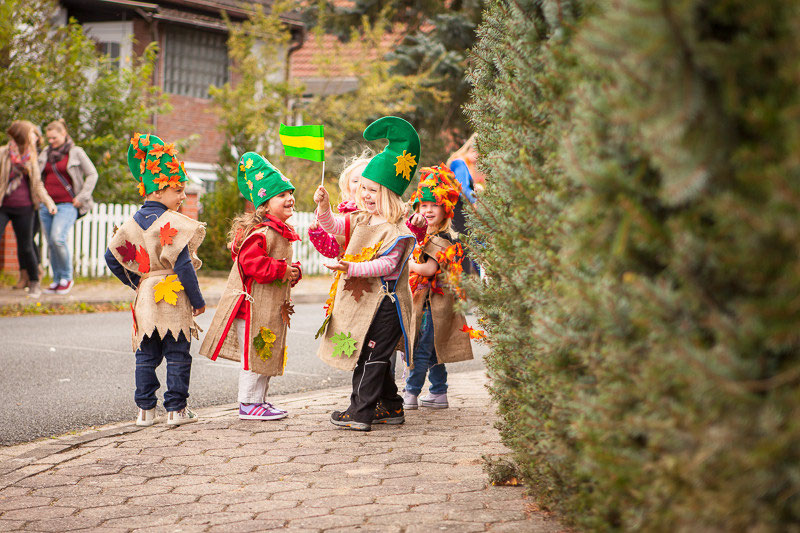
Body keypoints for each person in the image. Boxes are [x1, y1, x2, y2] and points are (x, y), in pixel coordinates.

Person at [315, 116, 420, 432]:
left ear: (388, 192)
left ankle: (360, 412)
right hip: (365, 302)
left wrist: (352, 267)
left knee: (372, 355)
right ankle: (390, 407)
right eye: (362, 189)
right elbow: (333, 227)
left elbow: (388, 265)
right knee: (370, 352)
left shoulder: (396, 229)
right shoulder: (361, 219)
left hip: (386, 304)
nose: (366, 195)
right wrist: (323, 207)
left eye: (373, 190)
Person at [105, 133, 206, 427]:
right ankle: (176, 410)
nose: (183, 196)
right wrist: (197, 301)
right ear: (160, 191)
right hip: (173, 293)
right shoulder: (173, 223)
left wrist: (137, 282)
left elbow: (113, 257)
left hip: (148, 293)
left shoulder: (130, 224)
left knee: (145, 354)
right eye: (178, 190)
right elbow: (184, 265)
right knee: (177, 353)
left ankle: (145, 411)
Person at [200, 152, 302, 421]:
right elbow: (253, 266)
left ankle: (260, 400)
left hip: (270, 309)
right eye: (281, 195)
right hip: (253, 309)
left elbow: (280, 265)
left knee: (266, 354)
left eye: (290, 193)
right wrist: (282, 269)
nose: (289, 198)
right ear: (265, 206)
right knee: (255, 357)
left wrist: (293, 272)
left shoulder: (279, 232)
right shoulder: (261, 234)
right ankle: (247, 403)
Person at [403, 165, 475, 410]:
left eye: (434, 205)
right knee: (432, 349)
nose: (429, 210)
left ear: (446, 209)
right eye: (423, 206)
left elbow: (429, 269)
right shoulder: (427, 236)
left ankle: (411, 392)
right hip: (429, 302)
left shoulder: (442, 238)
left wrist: (409, 264)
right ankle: (439, 392)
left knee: (420, 349)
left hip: (435, 304)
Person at [38, 119, 98, 294]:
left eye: (54, 138)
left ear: (63, 134)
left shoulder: (75, 152)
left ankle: (67, 277)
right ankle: (57, 280)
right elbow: (38, 177)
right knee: (50, 243)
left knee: (58, 238)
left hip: (67, 204)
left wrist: (82, 196)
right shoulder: (45, 154)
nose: (50, 141)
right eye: (48, 138)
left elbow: (92, 174)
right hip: (47, 205)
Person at [0, 120, 56, 298]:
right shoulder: (3, 154)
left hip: (25, 208)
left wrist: (49, 202)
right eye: (32, 133)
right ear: (23, 134)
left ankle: (34, 282)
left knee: (26, 246)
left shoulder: (31, 158)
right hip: (3, 206)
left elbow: (38, 185)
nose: (35, 136)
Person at [307, 152, 370, 258]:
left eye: (366, 179)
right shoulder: (348, 217)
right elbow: (331, 247)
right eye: (355, 181)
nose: (360, 184)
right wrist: (324, 207)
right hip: (349, 272)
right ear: (348, 188)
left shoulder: (383, 212)